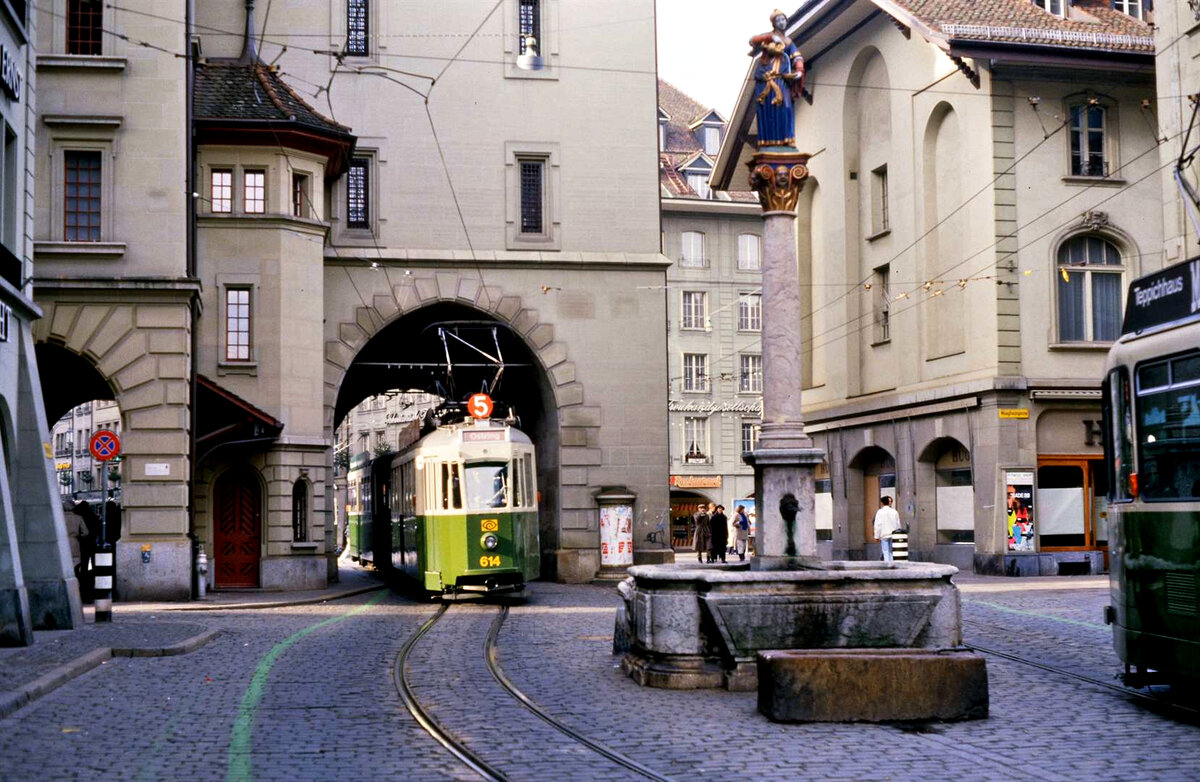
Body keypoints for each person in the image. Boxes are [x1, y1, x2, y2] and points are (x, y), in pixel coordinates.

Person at [748, 9, 806, 148]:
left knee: (785, 107)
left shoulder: (788, 41)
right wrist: (770, 38)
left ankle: (786, 139)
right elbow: (752, 40)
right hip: (765, 79)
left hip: (782, 79)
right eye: (778, 20)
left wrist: (799, 69)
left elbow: (797, 57)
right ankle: (768, 141)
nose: (781, 22)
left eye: (783, 19)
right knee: (767, 109)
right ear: (774, 24)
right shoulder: (768, 37)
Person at [872, 496, 902, 563]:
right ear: (889, 503)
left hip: (884, 535)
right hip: (893, 535)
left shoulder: (880, 512)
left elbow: (877, 525)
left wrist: (876, 536)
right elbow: (898, 524)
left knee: (885, 551)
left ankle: (887, 564)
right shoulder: (895, 512)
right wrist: (898, 534)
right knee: (891, 551)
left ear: (882, 503)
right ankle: (892, 563)